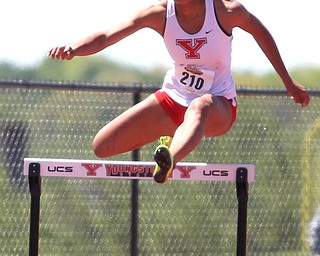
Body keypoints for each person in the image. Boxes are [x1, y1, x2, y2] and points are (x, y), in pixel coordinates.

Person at [48, 0, 310, 184]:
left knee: (200, 106)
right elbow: (107, 35)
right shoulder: (160, 12)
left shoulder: (225, 10)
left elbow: (260, 32)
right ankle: (172, 137)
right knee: (102, 146)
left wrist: (287, 81)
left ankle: (170, 158)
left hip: (218, 106)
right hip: (174, 98)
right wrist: (74, 49)